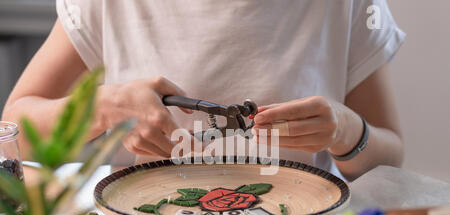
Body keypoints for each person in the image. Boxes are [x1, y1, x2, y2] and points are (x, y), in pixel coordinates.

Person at [2, 0, 405, 181]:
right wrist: (101, 108)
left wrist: (346, 132)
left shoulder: (349, 4)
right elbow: (10, 135)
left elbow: (391, 158)